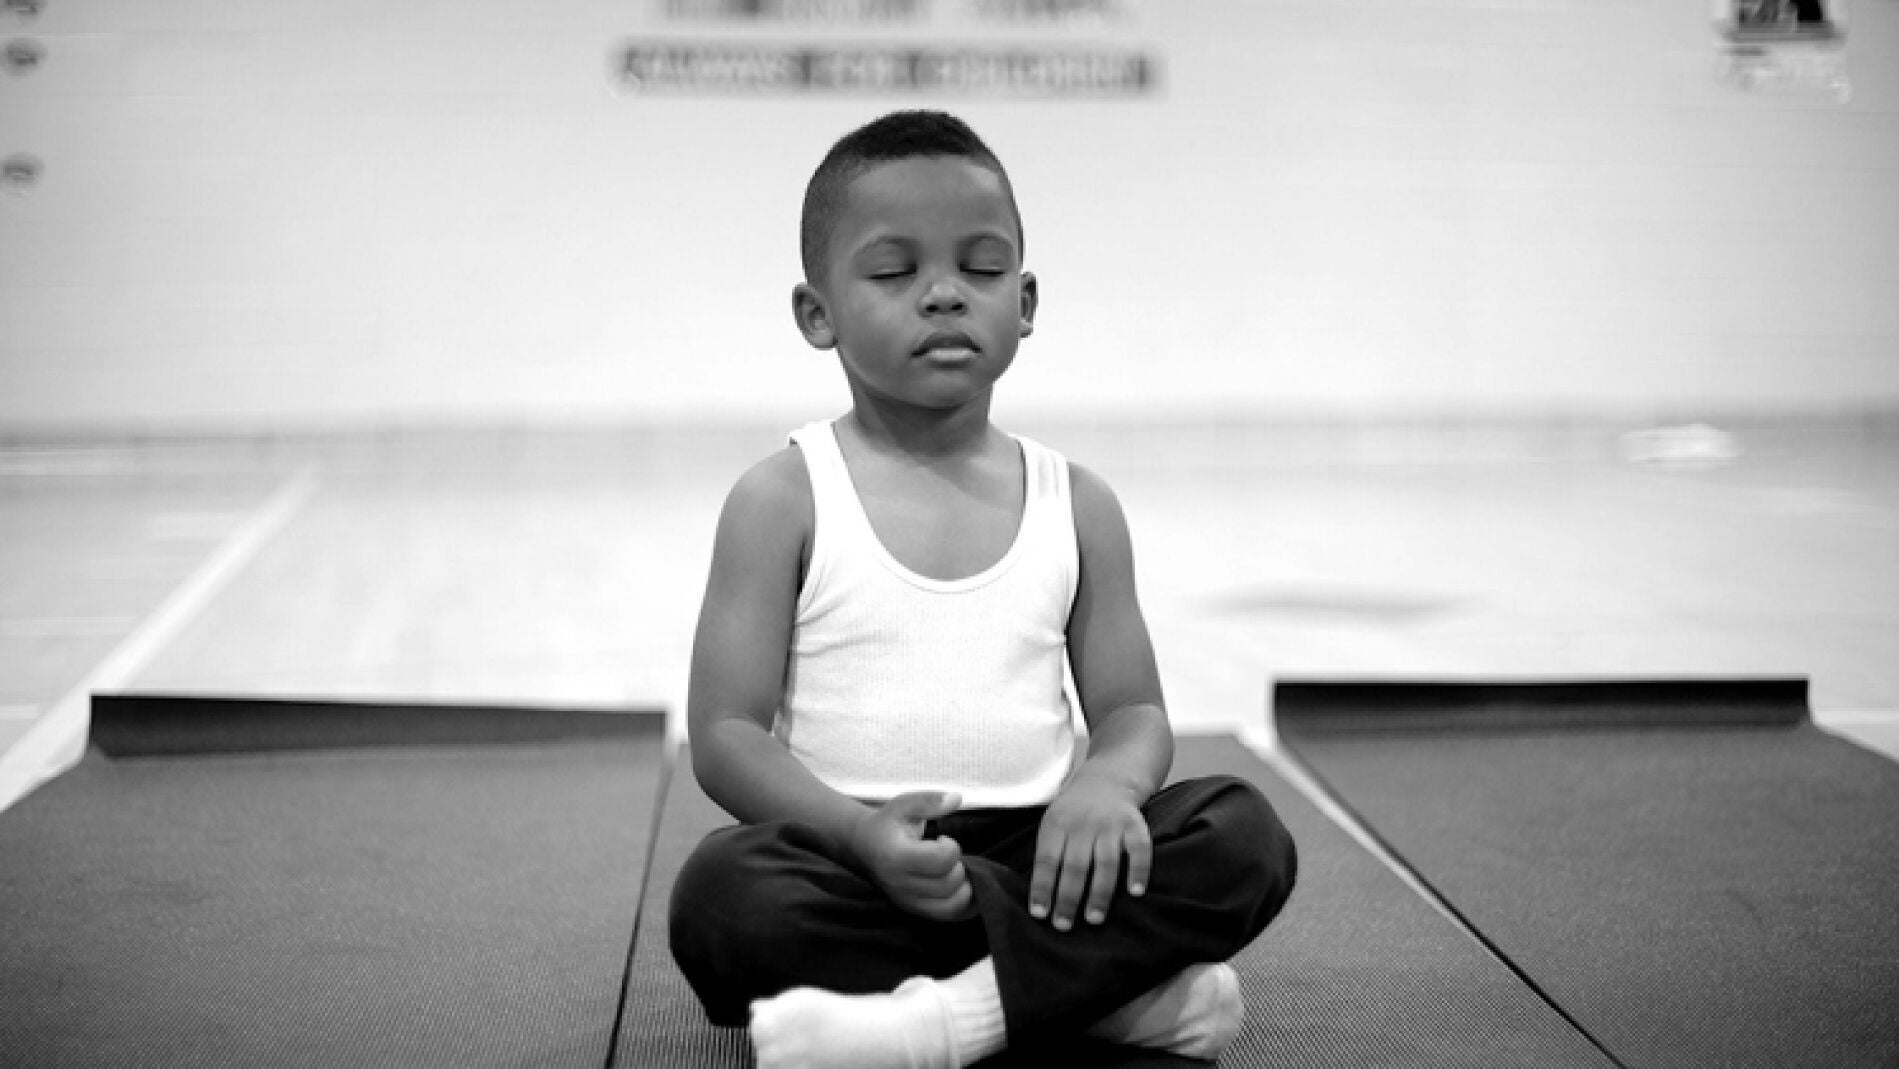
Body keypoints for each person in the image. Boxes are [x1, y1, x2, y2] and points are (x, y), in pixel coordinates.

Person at [668, 109, 1297, 1069]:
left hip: (1047, 860)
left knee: (1241, 832)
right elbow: (724, 736)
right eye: (893, 272)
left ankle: (937, 1025)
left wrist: (1104, 787)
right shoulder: (781, 498)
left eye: (981, 267)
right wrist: (859, 834)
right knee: (721, 892)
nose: (944, 295)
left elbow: (1130, 709)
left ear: (1028, 298)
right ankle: (1099, 1000)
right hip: (858, 853)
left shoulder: (1075, 501)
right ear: (817, 312)